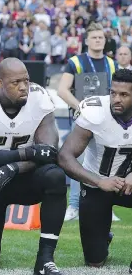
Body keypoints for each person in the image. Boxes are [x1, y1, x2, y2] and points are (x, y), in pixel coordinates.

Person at [0, 58, 68, 275]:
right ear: (0, 83)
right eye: (15, 82)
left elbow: (49, 152)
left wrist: (14, 166)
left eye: (26, 81)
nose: (23, 87)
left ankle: (45, 259)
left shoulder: (39, 98)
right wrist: (27, 153)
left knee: (55, 177)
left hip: (24, 177)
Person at [58, 69, 132, 275]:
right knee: (95, 261)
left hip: (128, 184)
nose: (116, 99)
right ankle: (101, 236)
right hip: (95, 186)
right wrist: (99, 181)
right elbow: (65, 156)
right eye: (113, 92)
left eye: (124, 95)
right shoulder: (95, 111)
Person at [57, 23, 118, 222]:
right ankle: (74, 205)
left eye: (101, 37)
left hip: (108, 121)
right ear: (86, 41)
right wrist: (80, 107)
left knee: (109, 163)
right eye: (94, 37)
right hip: (84, 120)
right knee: (79, 162)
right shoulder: (76, 61)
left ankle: (108, 205)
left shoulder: (111, 63)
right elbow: (63, 90)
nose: (98, 40)